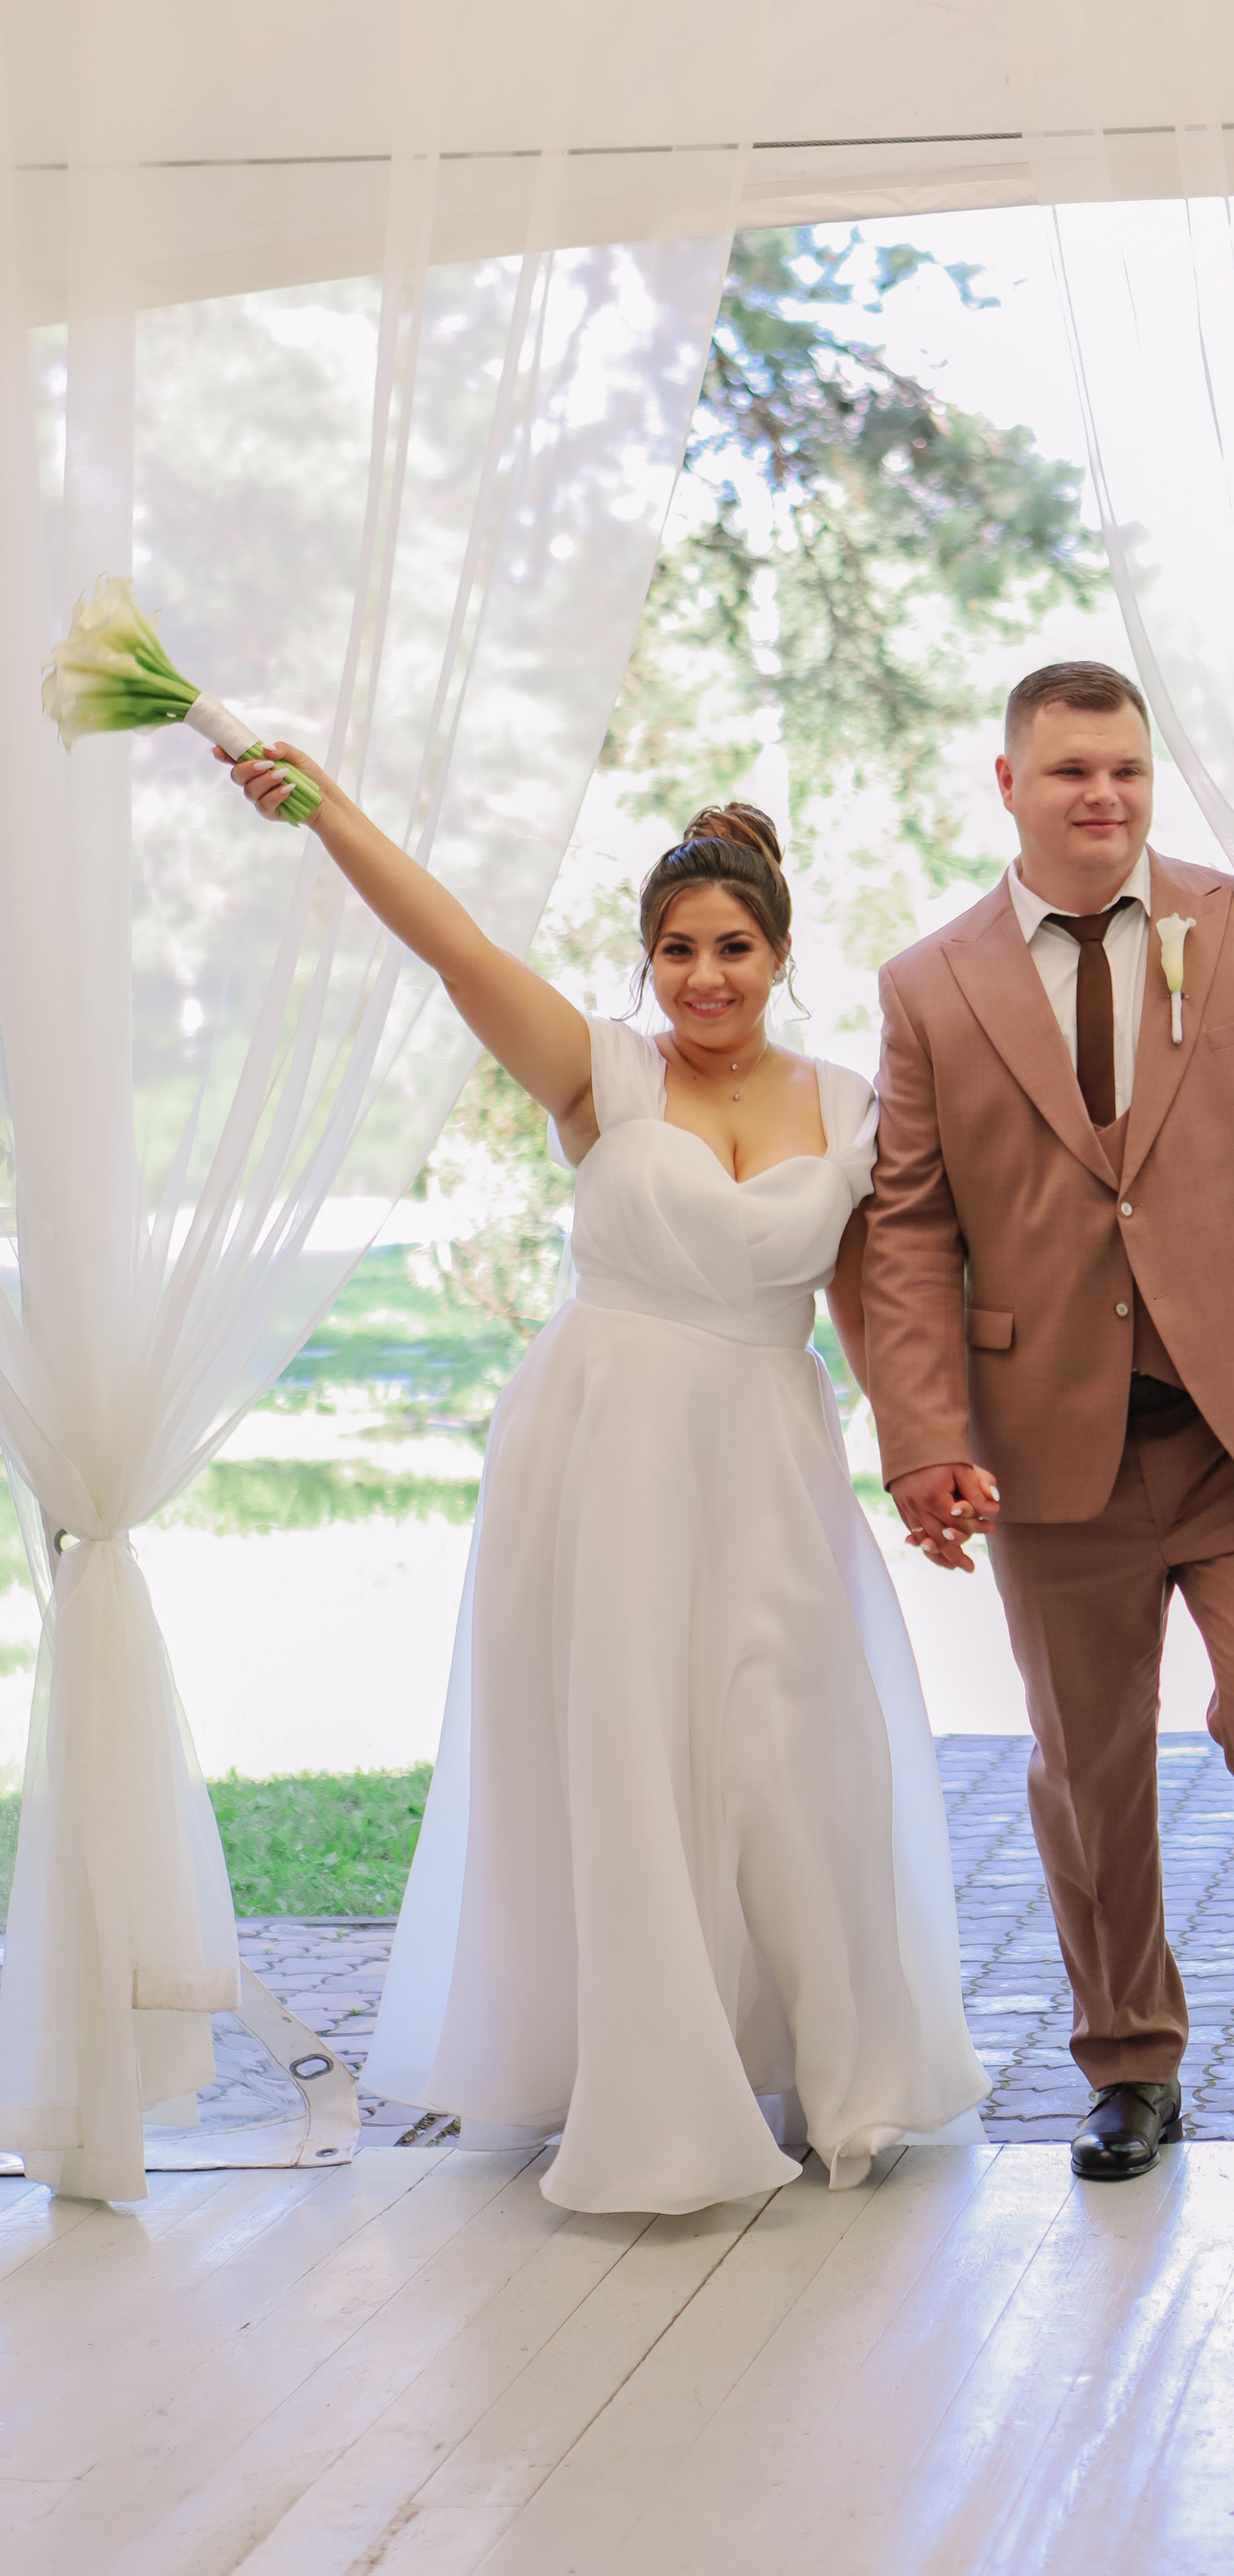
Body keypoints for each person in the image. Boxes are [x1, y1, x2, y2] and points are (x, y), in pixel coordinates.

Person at [226, 745, 989, 2214]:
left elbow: (868, 1303)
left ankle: (842, 2072)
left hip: (769, 1455)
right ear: (648, 962)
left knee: (784, 1751)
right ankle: (653, 2093)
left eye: (733, 948)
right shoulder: (601, 1070)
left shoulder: (851, 1104)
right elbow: (455, 949)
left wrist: (923, 1463)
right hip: (607, 1450)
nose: (705, 977)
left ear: (779, 954)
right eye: (677, 950)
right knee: (630, 1753)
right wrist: (325, 808)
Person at [861, 661, 1234, 2189]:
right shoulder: (929, 987)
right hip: (1050, 1444)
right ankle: (1130, 2066)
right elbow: (911, 1231)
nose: (1105, 795)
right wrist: (923, 1432)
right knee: (1089, 1765)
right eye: (1073, 769)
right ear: (1010, 783)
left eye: (1127, 769)